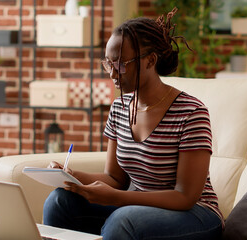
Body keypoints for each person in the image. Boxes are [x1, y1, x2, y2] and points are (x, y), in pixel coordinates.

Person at [43, 7, 223, 239]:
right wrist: (69, 175)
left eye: (120, 64)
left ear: (150, 60)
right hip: (138, 207)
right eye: (108, 64)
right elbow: (115, 179)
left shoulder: (191, 113)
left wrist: (118, 198)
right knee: (59, 201)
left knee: (123, 221)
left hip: (195, 214)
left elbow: (185, 196)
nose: (112, 74)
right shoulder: (119, 108)